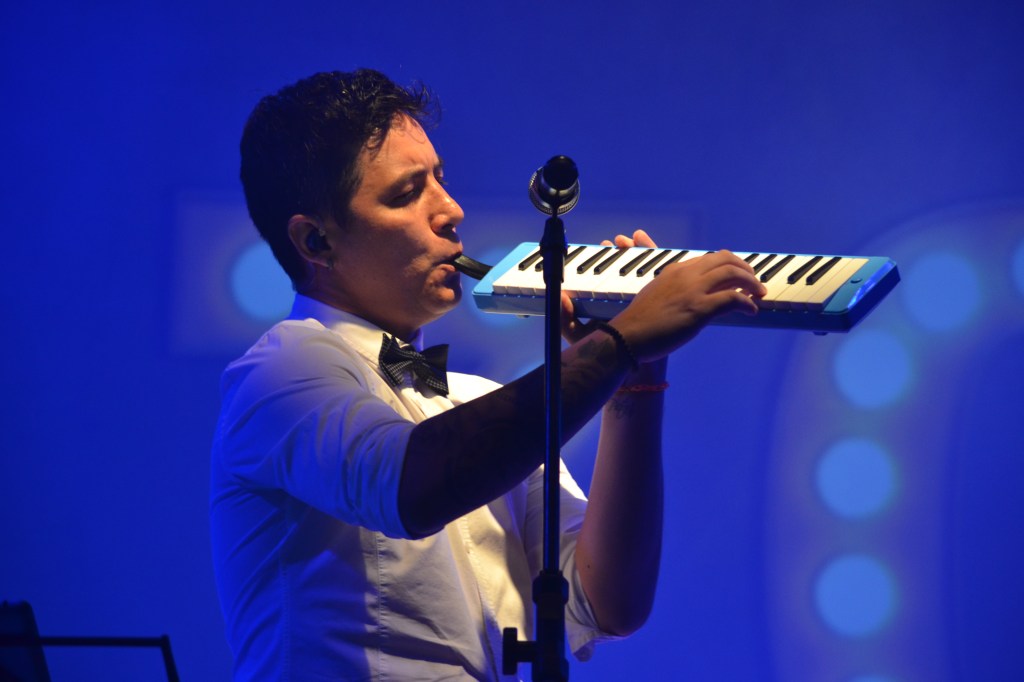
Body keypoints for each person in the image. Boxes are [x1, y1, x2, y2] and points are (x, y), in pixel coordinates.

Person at [210, 68, 766, 680]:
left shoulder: (481, 406)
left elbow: (610, 602)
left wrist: (636, 379)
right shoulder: (280, 370)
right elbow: (410, 486)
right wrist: (623, 341)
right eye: (407, 193)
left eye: (440, 180)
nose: (451, 211)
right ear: (316, 240)